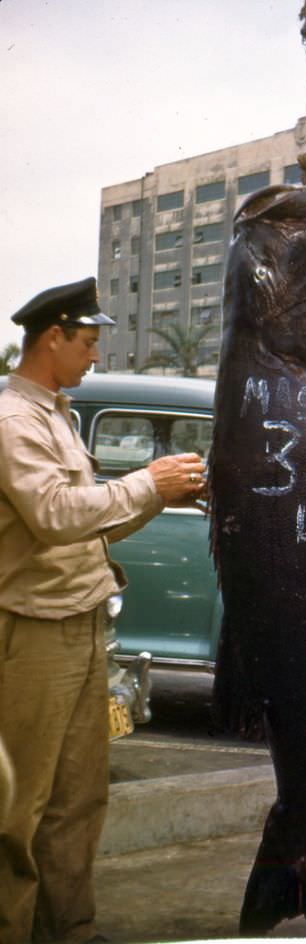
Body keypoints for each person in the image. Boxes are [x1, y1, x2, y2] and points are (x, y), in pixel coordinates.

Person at [0, 277, 207, 944]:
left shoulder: (55, 413)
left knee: (79, 800)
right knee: (18, 810)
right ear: (52, 339)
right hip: (33, 636)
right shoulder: (14, 422)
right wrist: (146, 483)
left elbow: (89, 525)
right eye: (88, 344)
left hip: (81, 626)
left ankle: (71, 931)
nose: (95, 357)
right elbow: (58, 515)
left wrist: (156, 494)